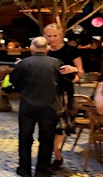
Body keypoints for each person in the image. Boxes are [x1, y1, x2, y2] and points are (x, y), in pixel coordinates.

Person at [10, 36, 71, 177]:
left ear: (32, 48)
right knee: (46, 140)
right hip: (50, 107)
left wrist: (25, 89)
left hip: (27, 106)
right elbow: (65, 83)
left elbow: (14, 81)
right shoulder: (56, 63)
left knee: (25, 138)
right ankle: (42, 170)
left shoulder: (23, 63)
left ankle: (24, 169)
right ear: (47, 48)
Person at [43, 23, 84, 170]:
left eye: (55, 35)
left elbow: (81, 73)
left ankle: (55, 153)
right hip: (47, 94)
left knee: (62, 126)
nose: (52, 39)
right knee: (48, 127)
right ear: (45, 37)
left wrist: (74, 70)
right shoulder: (44, 51)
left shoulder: (70, 51)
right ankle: (56, 154)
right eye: (49, 36)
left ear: (61, 35)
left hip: (65, 93)